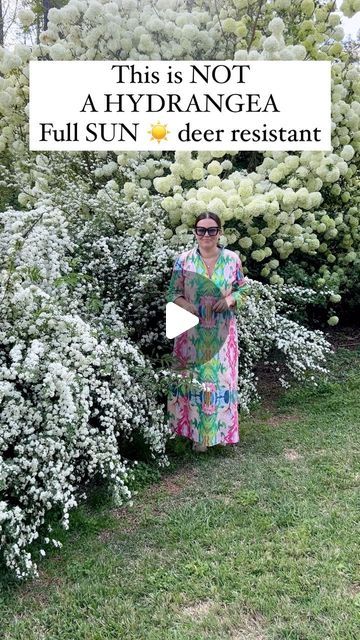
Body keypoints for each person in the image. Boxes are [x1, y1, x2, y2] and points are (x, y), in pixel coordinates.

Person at [166, 211, 251, 452]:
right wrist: (187, 306)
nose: (206, 234)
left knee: (219, 381)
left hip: (222, 333)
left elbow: (242, 291)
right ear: (195, 233)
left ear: (219, 232)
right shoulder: (184, 260)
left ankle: (217, 433)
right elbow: (173, 293)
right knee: (194, 381)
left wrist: (229, 301)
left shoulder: (232, 259)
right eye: (201, 230)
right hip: (190, 334)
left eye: (211, 230)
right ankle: (194, 434)